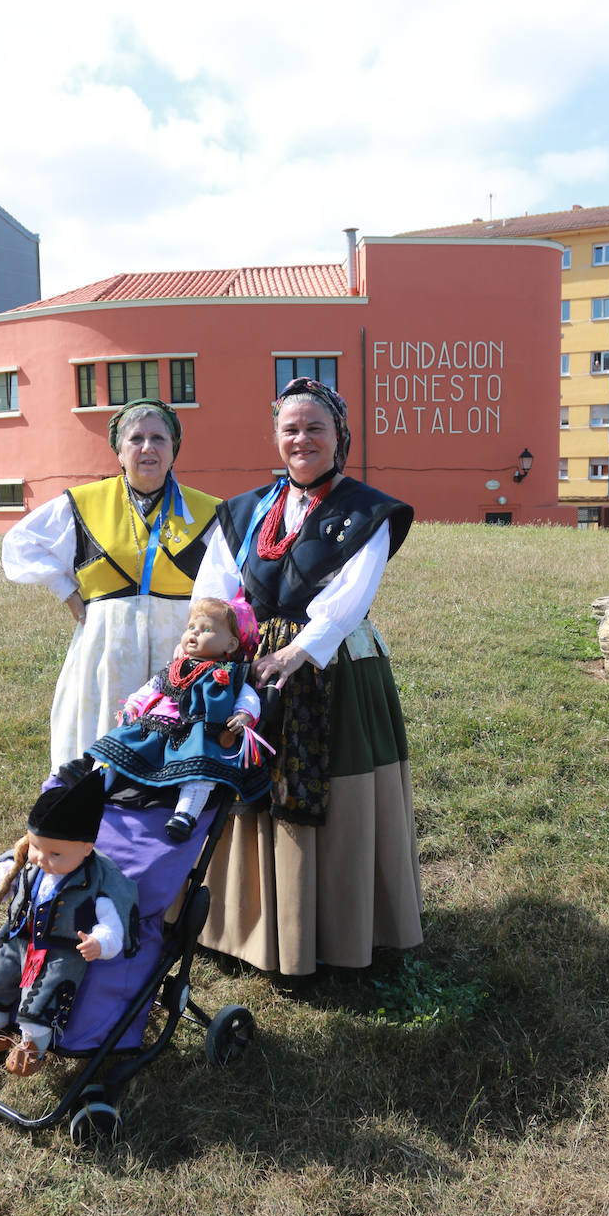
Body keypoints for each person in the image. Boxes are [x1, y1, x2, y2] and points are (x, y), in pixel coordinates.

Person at [191, 377, 423, 976]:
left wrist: (296, 654)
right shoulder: (244, 511)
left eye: (315, 428)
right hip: (249, 661)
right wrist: (208, 648)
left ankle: (334, 935)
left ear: (339, 436)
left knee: (329, 792)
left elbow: (349, 599)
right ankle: (250, 931)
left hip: (333, 665)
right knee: (247, 786)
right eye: (290, 429)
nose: (302, 439)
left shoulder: (366, 511)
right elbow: (213, 589)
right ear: (276, 438)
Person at [1, 399, 219, 772]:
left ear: (173, 449)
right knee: (96, 740)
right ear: (119, 452)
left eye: (158, 438)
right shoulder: (84, 503)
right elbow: (19, 545)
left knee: (171, 751)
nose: (147, 448)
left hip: (178, 653)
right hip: (104, 653)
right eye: (136, 439)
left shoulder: (209, 511)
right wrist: (65, 590)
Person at [0, 771, 139, 1076]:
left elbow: (112, 921)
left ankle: (32, 1048)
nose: (41, 858)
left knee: (41, 999)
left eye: (55, 853)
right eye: (37, 847)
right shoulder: (31, 858)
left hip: (61, 949)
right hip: (19, 935)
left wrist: (100, 943)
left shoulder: (98, 879)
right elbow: (6, 872)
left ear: (86, 848)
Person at [87, 595, 268, 842]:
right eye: (191, 627)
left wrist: (243, 715)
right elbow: (152, 688)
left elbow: (248, 698)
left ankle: (185, 814)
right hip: (156, 725)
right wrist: (132, 706)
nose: (194, 633)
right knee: (114, 746)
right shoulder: (174, 668)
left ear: (232, 644)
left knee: (201, 769)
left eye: (206, 630)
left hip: (199, 732)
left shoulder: (233, 674)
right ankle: (94, 791)